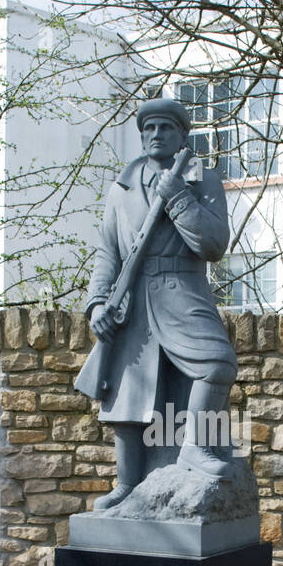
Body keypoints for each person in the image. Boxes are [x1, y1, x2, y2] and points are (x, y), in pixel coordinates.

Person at [73, 97, 238, 512]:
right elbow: (108, 253)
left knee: (217, 364)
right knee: (128, 396)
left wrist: (180, 196)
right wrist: (97, 305)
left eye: (165, 128)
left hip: (182, 287)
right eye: (149, 129)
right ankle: (128, 485)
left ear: (183, 135)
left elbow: (214, 245)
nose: (156, 135)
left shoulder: (203, 180)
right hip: (132, 300)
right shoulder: (122, 187)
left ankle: (196, 448)